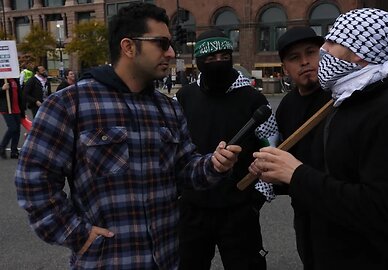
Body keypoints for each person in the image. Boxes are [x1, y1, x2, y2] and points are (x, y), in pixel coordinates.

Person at [15, 3, 241, 270]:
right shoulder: (70, 103)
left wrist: (213, 164)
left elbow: (184, 169)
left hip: (167, 259)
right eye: (161, 43)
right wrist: (76, 233)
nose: (171, 52)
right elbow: (33, 179)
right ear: (129, 47)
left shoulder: (169, 107)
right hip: (107, 261)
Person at [249, 8, 388, 269]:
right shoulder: (348, 102)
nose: (323, 50)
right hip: (326, 249)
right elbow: (331, 174)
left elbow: (382, 211)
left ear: (360, 51)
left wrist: (296, 174)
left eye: (333, 42)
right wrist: (277, 172)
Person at [174, 28, 278, 270]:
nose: (218, 63)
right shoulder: (184, 97)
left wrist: (257, 198)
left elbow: (271, 148)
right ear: (198, 61)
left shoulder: (253, 99)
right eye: (209, 59)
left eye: (224, 56)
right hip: (192, 210)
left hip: (239, 210)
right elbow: (174, 149)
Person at [273, 26, 331, 268]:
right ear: (285, 68)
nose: (305, 62)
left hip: (337, 204)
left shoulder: (340, 96)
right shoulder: (287, 105)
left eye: (311, 52)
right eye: (295, 58)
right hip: (303, 206)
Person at [0, 78, 24, 159]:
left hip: (17, 108)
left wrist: (22, 108)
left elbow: (20, 94)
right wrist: (2, 89)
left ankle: (14, 151)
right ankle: (2, 147)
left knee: (17, 130)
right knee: (12, 128)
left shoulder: (15, 80)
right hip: (6, 108)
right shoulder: (2, 79)